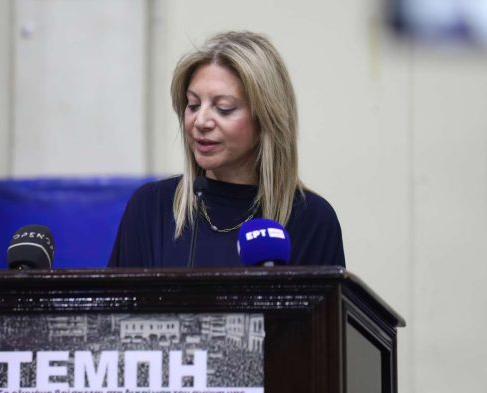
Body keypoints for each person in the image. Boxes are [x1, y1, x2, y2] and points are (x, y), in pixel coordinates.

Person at [108, 31, 345, 268]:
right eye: (193, 105)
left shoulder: (312, 219)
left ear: (265, 119)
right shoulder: (151, 207)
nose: (200, 121)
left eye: (224, 108)